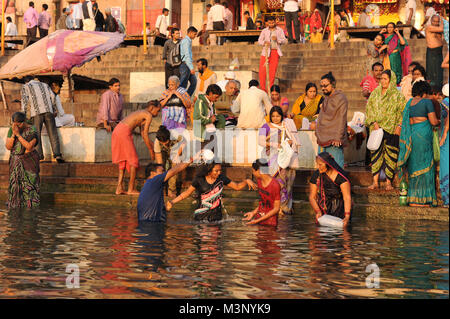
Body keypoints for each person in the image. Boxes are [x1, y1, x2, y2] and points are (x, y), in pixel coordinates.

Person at [166, 161, 257, 222]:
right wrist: (172, 202)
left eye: (220, 170)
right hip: (201, 217)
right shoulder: (199, 180)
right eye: (216, 171)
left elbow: (237, 187)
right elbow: (186, 193)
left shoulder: (221, 179)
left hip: (217, 218)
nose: (219, 173)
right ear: (209, 171)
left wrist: (246, 181)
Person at [398, 81, 439, 206]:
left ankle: (413, 198)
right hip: (423, 135)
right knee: (426, 164)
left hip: (412, 135)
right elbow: (433, 122)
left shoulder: (409, 103)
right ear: (424, 92)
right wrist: (439, 121)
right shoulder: (426, 102)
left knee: (414, 165)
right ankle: (425, 198)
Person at [365, 70, 406, 190]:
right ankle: (375, 182)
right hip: (376, 128)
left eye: (385, 79)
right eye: (381, 78)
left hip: (392, 129)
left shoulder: (398, 95)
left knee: (391, 156)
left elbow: (402, 112)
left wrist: (399, 126)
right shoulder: (375, 93)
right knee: (376, 155)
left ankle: (389, 182)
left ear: (391, 80)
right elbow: (369, 109)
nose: (382, 81)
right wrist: (374, 122)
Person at [112, 100, 161, 195]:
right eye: (157, 110)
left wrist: (153, 148)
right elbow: (146, 135)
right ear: (152, 108)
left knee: (123, 160)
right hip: (123, 132)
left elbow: (143, 134)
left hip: (117, 130)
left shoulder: (142, 113)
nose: (157, 113)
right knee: (133, 161)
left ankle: (119, 188)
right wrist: (151, 150)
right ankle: (131, 188)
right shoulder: (148, 115)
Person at [259, 106, 299, 214]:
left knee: (284, 182)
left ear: (281, 116)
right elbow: (261, 142)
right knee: (273, 182)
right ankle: (272, 207)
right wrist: (274, 144)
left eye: (278, 116)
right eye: (273, 116)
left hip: (283, 159)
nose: (276, 118)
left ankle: (283, 207)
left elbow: (293, 140)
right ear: (270, 117)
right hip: (270, 158)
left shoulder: (286, 126)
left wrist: (288, 143)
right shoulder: (265, 126)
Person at [137, 156, 196, 222]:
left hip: (147, 224)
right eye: (161, 171)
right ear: (152, 173)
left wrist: (165, 208)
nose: (164, 173)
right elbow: (174, 171)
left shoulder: (150, 185)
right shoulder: (154, 181)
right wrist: (191, 159)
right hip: (151, 225)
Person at [21, 77, 64, 163]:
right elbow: (53, 97)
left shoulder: (26, 86)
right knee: (53, 133)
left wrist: (23, 114)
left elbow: (24, 102)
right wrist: (53, 108)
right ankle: (57, 155)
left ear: (26, 81)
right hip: (48, 111)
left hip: (37, 112)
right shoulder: (45, 85)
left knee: (37, 135)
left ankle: (39, 156)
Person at [5, 112, 40, 209]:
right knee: (15, 185)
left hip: (29, 162)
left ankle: (31, 207)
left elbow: (29, 146)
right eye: (15, 124)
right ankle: (15, 206)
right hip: (15, 162)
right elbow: (8, 147)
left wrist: (18, 135)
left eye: (19, 124)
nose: (17, 126)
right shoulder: (11, 130)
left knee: (30, 184)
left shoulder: (32, 130)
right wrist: (13, 135)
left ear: (24, 122)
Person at [309, 152, 352, 228]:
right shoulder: (317, 175)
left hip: (340, 208)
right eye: (317, 164)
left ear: (328, 164)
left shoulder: (341, 177)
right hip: (323, 207)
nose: (318, 167)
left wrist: (347, 216)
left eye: (320, 165)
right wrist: (318, 211)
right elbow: (312, 197)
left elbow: (347, 197)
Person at [315, 72, 348, 168]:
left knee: (336, 168)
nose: (323, 88)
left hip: (334, 140)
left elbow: (342, 118)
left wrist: (338, 137)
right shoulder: (326, 98)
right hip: (322, 138)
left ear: (333, 84)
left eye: (325, 85)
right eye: (321, 86)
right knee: (323, 167)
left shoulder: (340, 98)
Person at [242, 159, 281, 226]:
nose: (253, 173)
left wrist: (257, 220)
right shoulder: (259, 181)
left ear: (259, 171)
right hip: (259, 219)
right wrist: (253, 213)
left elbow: (276, 209)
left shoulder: (275, 185)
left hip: (270, 223)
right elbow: (263, 202)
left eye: (253, 171)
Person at [154, 125, 184, 198]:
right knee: (160, 168)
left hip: (176, 149)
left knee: (174, 167)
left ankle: (172, 190)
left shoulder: (176, 135)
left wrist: (177, 155)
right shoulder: (157, 142)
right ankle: (161, 189)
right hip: (163, 152)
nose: (164, 144)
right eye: (162, 143)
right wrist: (161, 169)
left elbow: (183, 144)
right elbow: (159, 162)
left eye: (166, 142)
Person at [258, 16, 287, 92]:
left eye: (273, 22)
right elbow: (259, 41)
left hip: (275, 52)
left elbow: (284, 40)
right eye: (270, 23)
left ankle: (270, 89)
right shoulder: (264, 31)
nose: (271, 24)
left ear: (275, 22)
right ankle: (263, 89)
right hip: (265, 53)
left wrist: (277, 40)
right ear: (267, 23)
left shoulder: (279, 30)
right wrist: (264, 42)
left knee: (272, 72)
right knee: (262, 71)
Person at [425, 15, 444, 88]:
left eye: (437, 21)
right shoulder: (429, 27)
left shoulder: (438, 27)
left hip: (439, 51)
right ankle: (432, 90)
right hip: (432, 52)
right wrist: (443, 20)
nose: (436, 23)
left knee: (439, 72)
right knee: (432, 72)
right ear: (431, 21)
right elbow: (442, 29)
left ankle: (439, 89)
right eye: (434, 21)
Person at [179, 26, 198, 96]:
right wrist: (191, 67)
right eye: (194, 34)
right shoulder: (186, 41)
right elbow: (187, 56)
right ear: (190, 33)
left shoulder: (188, 41)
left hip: (187, 64)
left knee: (194, 82)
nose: (195, 36)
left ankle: (186, 97)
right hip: (185, 65)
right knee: (183, 84)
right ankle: (180, 99)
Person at [439, 84, 449, 207]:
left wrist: (444, 133)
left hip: (447, 135)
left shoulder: (446, 102)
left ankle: (447, 198)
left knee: (446, 164)